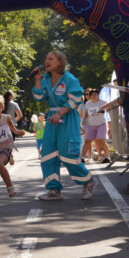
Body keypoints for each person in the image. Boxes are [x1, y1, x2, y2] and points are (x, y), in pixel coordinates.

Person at [30, 50, 97, 201]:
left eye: (51, 59)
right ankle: (54, 190)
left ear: (60, 62)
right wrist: (38, 80)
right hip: (52, 121)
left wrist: (60, 113)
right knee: (48, 155)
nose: (47, 61)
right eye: (46, 59)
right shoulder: (45, 78)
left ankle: (88, 182)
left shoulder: (69, 79)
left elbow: (76, 99)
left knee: (68, 154)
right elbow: (39, 97)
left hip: (67, 118)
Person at [81, 88, 111, 164]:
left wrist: (110, 120)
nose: (94, 96)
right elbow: (87, 113)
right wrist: (84, 119)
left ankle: (108, 157)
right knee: (87, 140)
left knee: (102, 140)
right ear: (90, 96)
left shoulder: (103, 102)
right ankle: (82, 157)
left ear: (98, 95)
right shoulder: (88, 103)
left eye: (95, 94)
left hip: (101, 124)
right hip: (91, 125)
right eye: (92, 95)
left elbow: (108, 110)